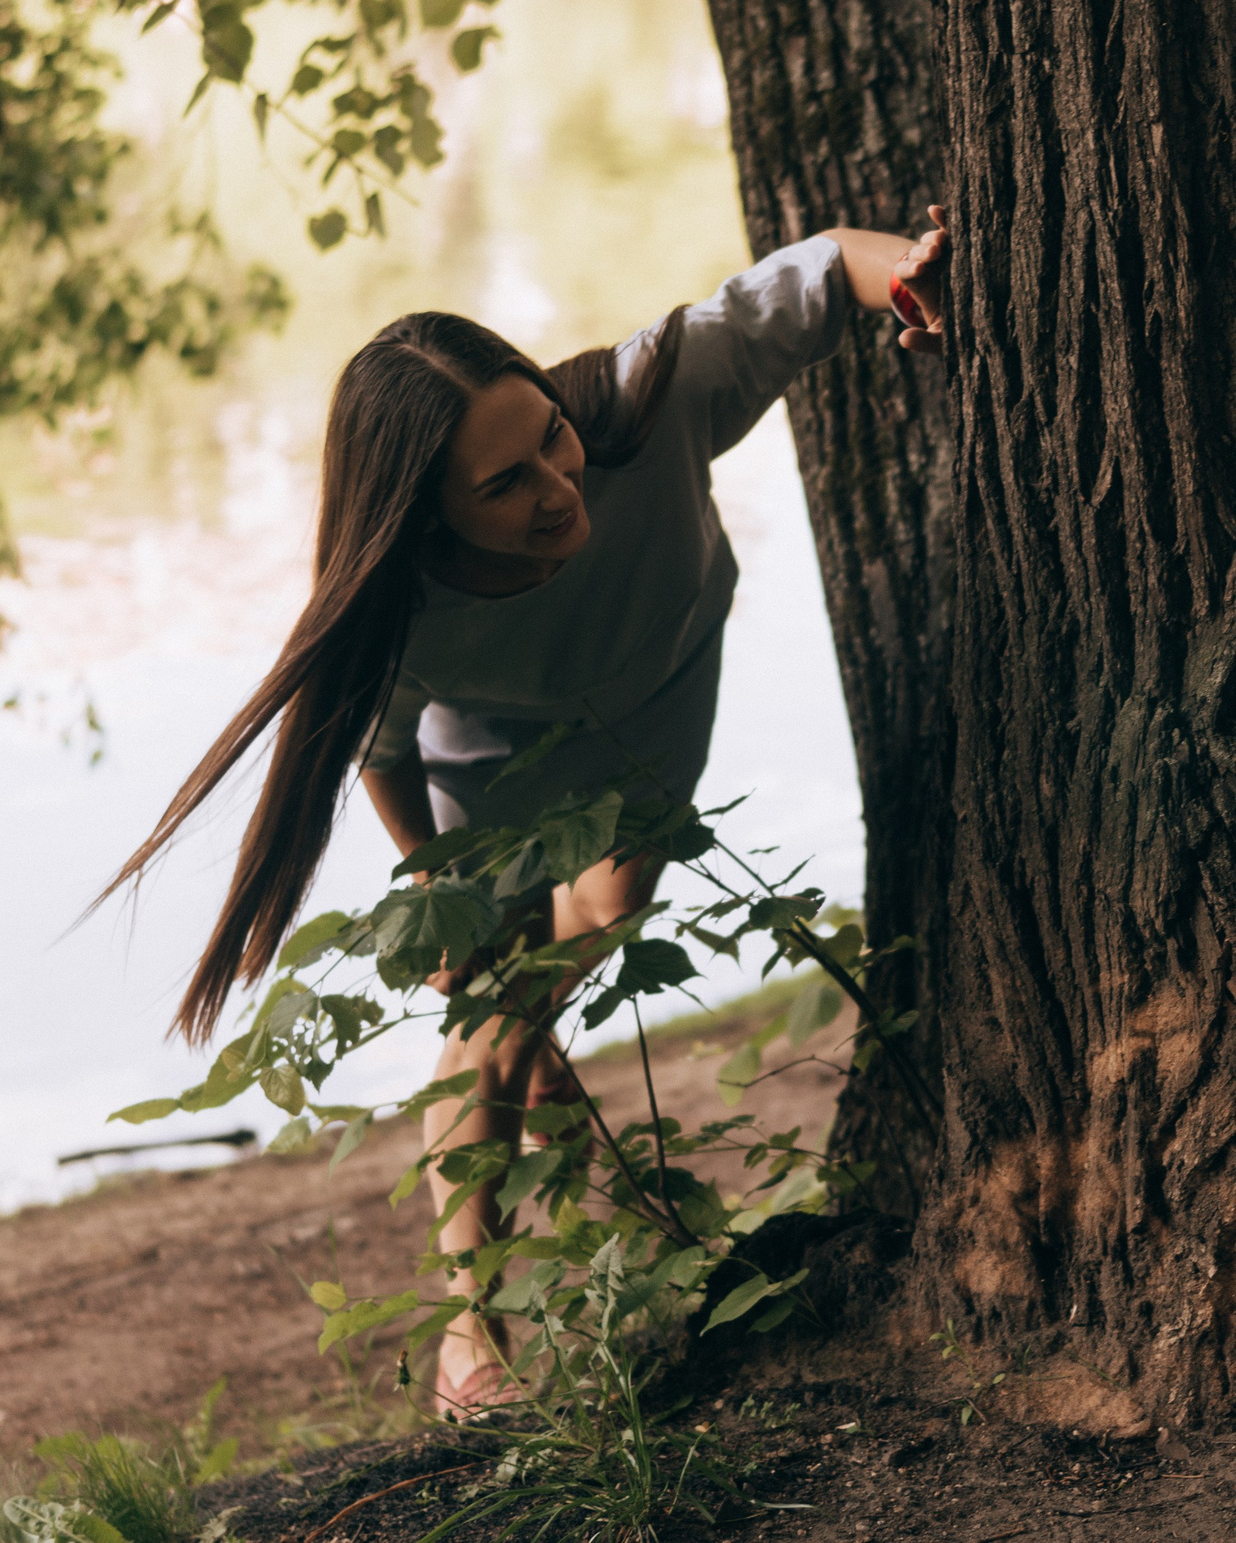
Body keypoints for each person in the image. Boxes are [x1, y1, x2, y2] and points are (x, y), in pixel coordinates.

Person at [104, 211, 954, 1414]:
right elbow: (385, 759)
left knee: (589, 939)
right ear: (427, 512)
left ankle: (540, 1037)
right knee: (494, 1009)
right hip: (489, 761)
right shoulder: (398, 611)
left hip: (657, 693)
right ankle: (471, 1339)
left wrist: (906, 281)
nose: (560, 488)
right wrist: (437, 889)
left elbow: (817, 273)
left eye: (551, 441)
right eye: (506, 485)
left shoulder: (651, 400)